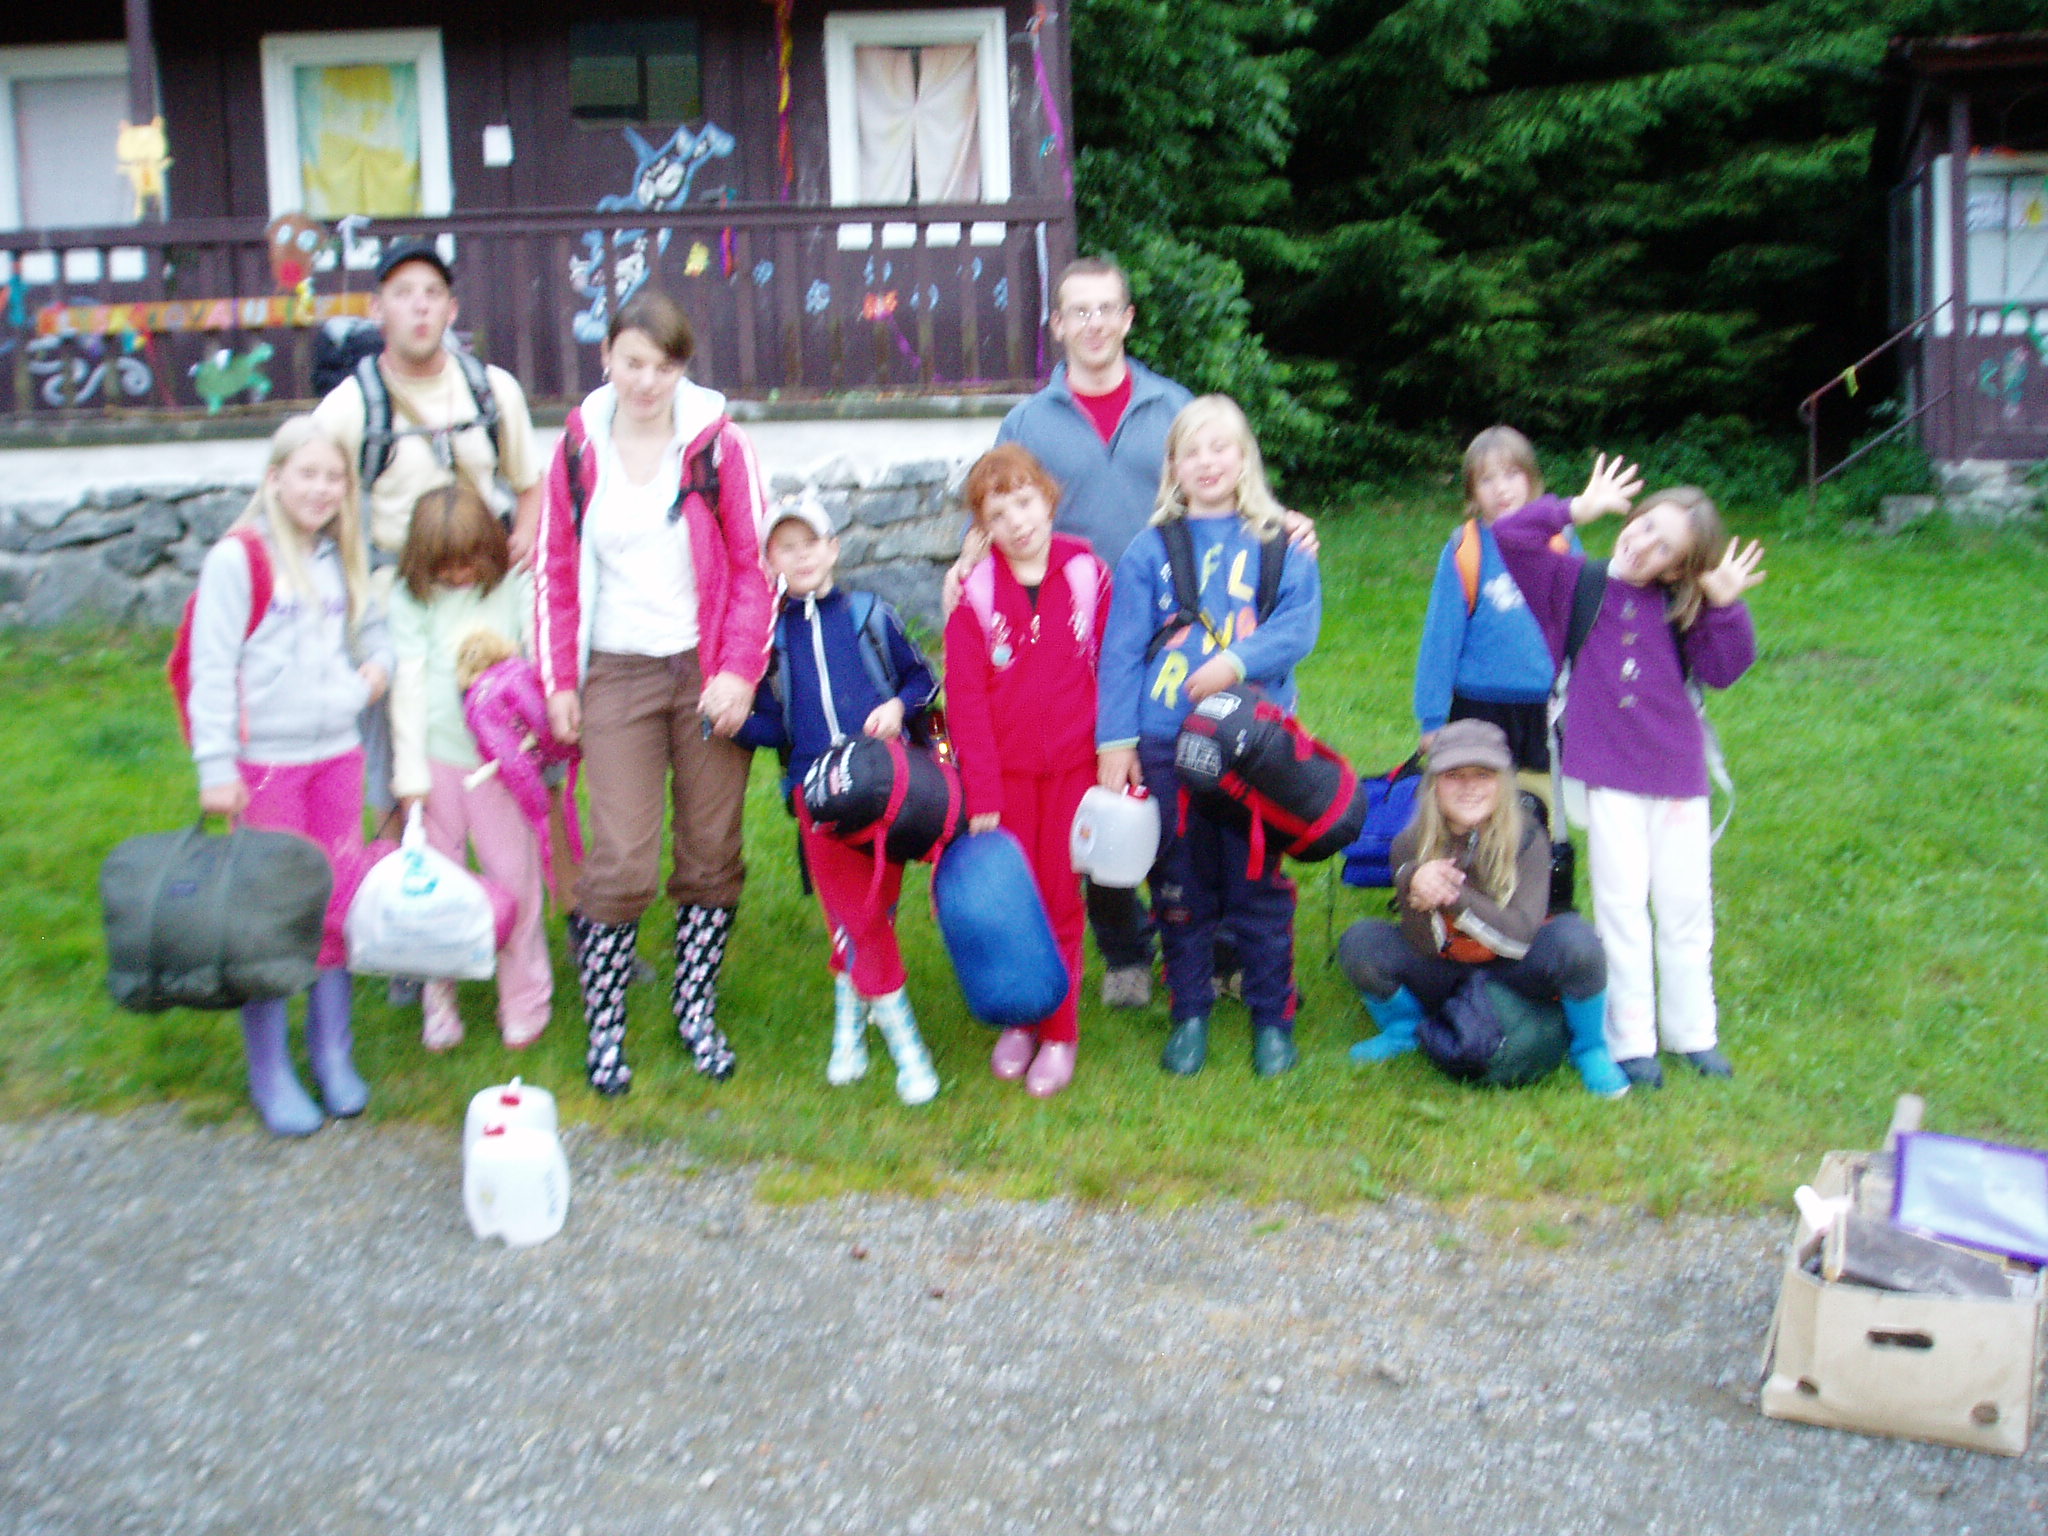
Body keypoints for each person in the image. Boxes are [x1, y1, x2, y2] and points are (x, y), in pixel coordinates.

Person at [534, 289, 773, 1096]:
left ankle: (694, 1008)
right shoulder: (577, 448)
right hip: (617, 672)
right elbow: (554, 572)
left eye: (663, 367)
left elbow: (754, 565)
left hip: (706, 672)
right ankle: (605, 1026)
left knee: (711, 853)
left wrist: (738, 671)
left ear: (682, 369)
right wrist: (559, 680)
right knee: (622, 861)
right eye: (632, 363)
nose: (645, 381)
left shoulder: (720, 446)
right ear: (606, 357)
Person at [1496, 461, 1764, 1088]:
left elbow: (1726, 668)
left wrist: (1724, 606)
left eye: (1663, 547)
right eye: (1643, 526)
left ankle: (1693, 1033)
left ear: (1677, 570)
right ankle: (1632, 1038)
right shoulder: (1573, 583)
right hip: (1607, 776)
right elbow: (1511, 535)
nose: (1642, 545)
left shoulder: (1682, 606)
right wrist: (1575, 509)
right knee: (1621, 908)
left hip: (1678, 777)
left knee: (1685, 908)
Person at [1096, 395, 1321, 1078]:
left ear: (1245, 457)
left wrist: (1236, 663)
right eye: (1192, 451)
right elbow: (1121, 650)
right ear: (1173, 467)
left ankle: (1272, 1016)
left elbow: (1298, 626)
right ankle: (1189, 1010)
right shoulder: (1149, 550)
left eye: (1221, 447)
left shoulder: (1281, 542)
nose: (1208, 462)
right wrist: (1116, 742)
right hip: (1167, 740)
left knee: (1257, 886)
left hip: (1254, 745)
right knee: (1180, 884)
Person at [187, 416, 389, 1136]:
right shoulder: (237, 560)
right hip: (264, 765)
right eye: (307, 474)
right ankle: (270, 1072)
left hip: (336, 756)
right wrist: (216, 766)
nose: (321, 489)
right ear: (274, 479)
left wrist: (373, 674)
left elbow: (374, 631)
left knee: (334, 900)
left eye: (334, 477)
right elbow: (211, 669)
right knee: (272, 914)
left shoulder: (340, 555)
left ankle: (332, 1055)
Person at [313, 240, 545, 840]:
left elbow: (530, 484)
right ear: (377, 309)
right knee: (397, 763)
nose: (419, 307)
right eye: (403, 295)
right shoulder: (349, 408)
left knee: (524, 744)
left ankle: (547, 879)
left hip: (487, 595)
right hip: (395, 596)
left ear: (451, 309)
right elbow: (304, 497)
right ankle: (399, 880)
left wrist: (523, 534)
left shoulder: (491, 390)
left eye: (433, 294)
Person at [741, 495, 944, 1105]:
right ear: (770, 561)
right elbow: (775, 724)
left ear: (833, 549)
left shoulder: (868, 615)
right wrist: (731, 722)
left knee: (871, 913)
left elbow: (921, 678)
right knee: (856, 918)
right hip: (817, 796)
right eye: (786, 548)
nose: (801, 556)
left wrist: (897, 707)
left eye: (811, 543)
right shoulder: (772, 641)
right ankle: (907, 1049)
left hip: (887, 788)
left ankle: (848, 1028)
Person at [943, 443, 1111, 1098]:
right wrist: (981, 789)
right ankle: (1021, 1019)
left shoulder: (1088, 575)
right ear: (982, 527)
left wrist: (1112, 756)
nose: (1016, 521)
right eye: (997, 512)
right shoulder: (976, 595)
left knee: (1062, 899)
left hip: (1075, 773)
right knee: (1016, 902)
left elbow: (1113, 668)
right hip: (1006, 781)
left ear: (1048, 498)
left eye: (1024, 501)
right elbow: (964, 703)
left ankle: (1060, 1029)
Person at [1336, 720, 1627, 1097]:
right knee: (1361, 943)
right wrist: (1413, 883)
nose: (1469, 787)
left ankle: (1590, 1048)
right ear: (1433, 784)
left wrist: (1452, 896)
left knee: (1577, 941)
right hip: (1445, 965)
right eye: (1454, 775)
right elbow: (1424, 943)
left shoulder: (1528, 836)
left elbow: (1519, 937)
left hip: (1515, 967)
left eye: (1483, 775)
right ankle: (1405, 1029)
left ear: (1502, 783)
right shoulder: (1409, 842)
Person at [387, 483, 550, 1053]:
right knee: (439, 887)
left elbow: (536, 654)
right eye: (445, 568)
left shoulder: (513, 584)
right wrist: (410, 775)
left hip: (501, 765)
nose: (458, 577)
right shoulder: (409, 599)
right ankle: (439, 999)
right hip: (437, 761)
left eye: (468, 563)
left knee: (514, 879)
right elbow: (407, 684)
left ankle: (525, 997)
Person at [1412, 426, 1577, 771]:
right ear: (1472, 492)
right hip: (1479, 706)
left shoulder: (1560, 541)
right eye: (1487, 479)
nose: (1501, 489)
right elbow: (1441, 639)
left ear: (1531, 478)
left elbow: (1583, 627)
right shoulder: (1466, 547)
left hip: (1549, 703)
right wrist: (1432, 719)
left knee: (1543, 797)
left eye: (1512, 474)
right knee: (1480, 794)